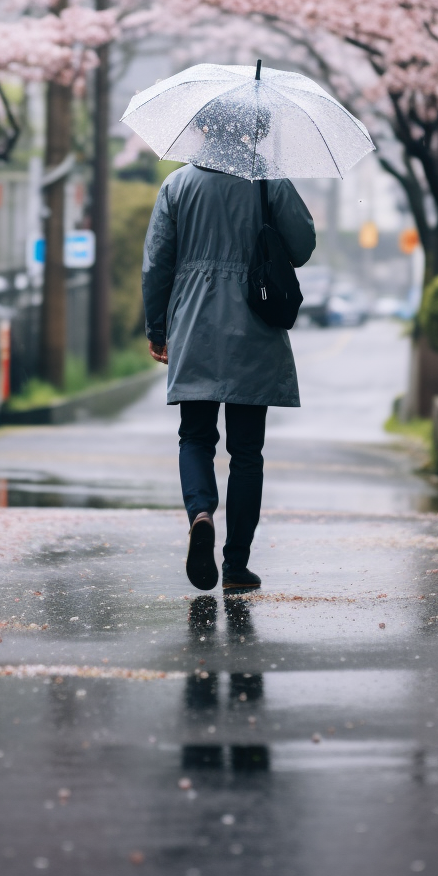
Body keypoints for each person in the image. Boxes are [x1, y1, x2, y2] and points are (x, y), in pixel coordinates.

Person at [140, 146, 316, 598]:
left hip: (194, 323)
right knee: (246, 453)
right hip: (252, 326)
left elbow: (157, 262)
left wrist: (158, 327)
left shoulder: (177, 185)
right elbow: (301, 247)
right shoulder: (267, 180)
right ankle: (237, 564)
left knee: (195, 437)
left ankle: (200, 514)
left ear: (204, 129)